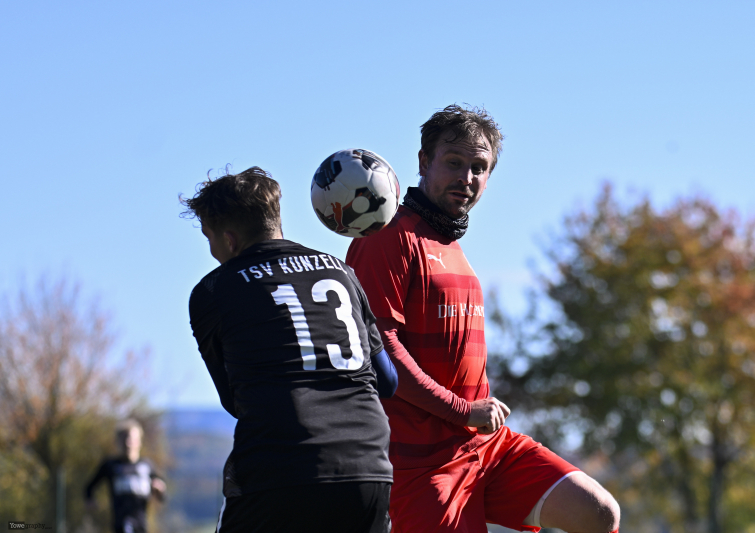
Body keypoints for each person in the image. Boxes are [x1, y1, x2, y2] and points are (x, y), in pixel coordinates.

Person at [346, 105, 621, 533]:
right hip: (421, 465)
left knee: (598, 512)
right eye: (454, 163)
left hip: (485, 444)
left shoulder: (449, 241)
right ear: (423, 161)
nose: (467, 178)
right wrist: (463, 411)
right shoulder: (388, 236)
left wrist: (471, 417)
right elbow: (381, 346)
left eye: (479, 168)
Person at [182, 167, 397, 533]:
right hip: (368, 470)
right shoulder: (341, 271)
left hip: (279, 473)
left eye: (209, 237)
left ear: (230, 240)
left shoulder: (214, 290)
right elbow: (388, 381)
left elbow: (235, 401)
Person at [85, 419, 166, 533]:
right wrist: (90, 500)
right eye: (124, 439)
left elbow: (162, 493)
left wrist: (159, 490)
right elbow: (89, 486)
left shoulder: (147, 466)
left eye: (131, 439)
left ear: (139, 441)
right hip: (120, 524)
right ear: (118, 441)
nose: (128, 443)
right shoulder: (111, 465)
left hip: (141, 525)